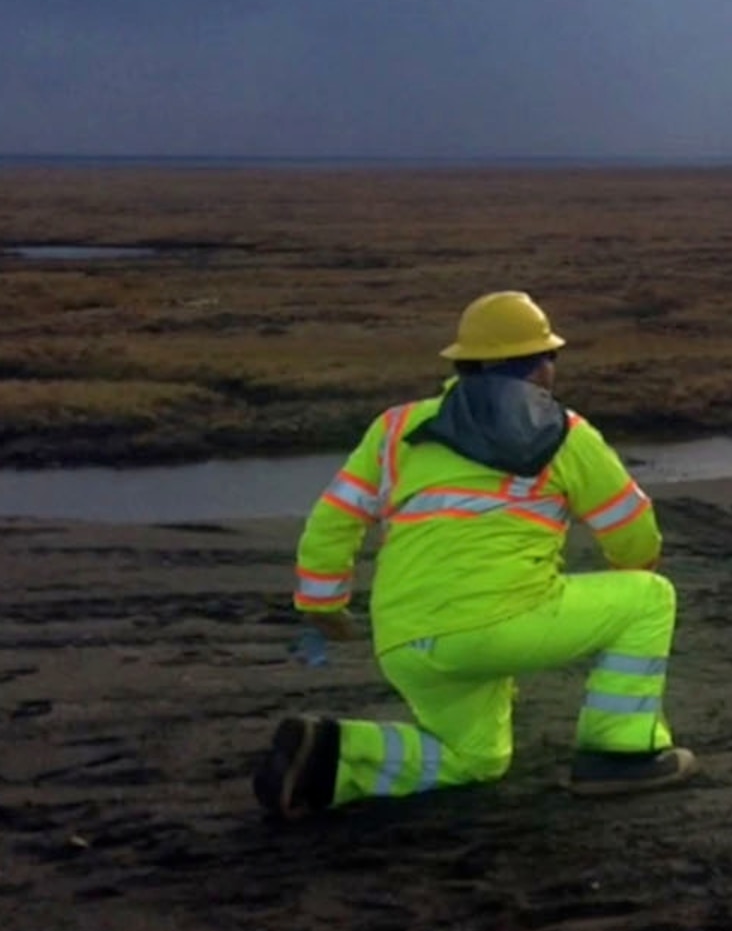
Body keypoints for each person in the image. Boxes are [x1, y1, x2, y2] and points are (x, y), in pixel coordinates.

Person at [253, 290, 698, 819]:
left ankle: (332, 757)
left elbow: (334, 518)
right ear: (539, 367)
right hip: (496, 626)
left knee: (475, 759)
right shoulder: (565, 433)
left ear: (463, 362)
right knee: (649, 599)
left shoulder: (396, 429)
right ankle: (622, 752)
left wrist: (322, 604)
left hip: (404, 639)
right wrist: (634, 568)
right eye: (547, 356)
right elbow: (631, 528)